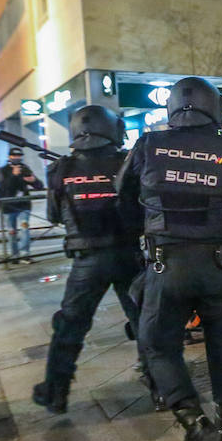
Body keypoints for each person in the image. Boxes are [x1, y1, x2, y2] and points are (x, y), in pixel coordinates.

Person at [118, 77, 222, 441]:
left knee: (156, 344)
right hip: (219, 265)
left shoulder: (148, 145)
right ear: (214, 107)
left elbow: (124, 202)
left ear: (172, 107)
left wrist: (144, 235)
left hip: (165, 264)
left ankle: (193, 420)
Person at [32, 106, 147, 414]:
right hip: (127, 254)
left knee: (70, 326)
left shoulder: (60, 169)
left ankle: (55, 392)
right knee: (144, 320)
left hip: (87, 260)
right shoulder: (128, 163)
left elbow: (54, 215)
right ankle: (160, 384)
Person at [0, 146, 44, 264]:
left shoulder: (25, 168)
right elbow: (4, 187)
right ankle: (14, 255)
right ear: (9, 157)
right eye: (14, 156)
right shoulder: (3, 170)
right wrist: (14, 175)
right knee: (11, 232)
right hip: (8, 206)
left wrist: (34, 181)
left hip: (23, 205)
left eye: (19, 156)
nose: (17, 158)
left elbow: (39, 186)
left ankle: (25, 254)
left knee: (24, 229)